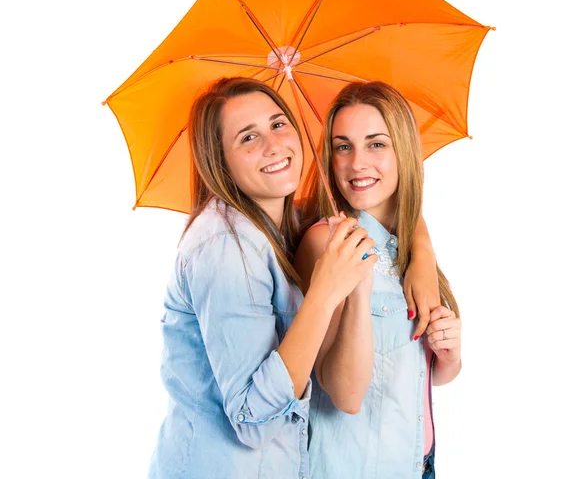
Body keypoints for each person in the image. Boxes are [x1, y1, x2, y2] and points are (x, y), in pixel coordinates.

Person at [148, 77, 378, 479]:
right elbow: (253, 420)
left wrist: (423, 251)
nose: (273, 145)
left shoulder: (276, 227)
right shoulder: (224, 248)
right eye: (248, 137)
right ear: (220, 162)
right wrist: (324, 293)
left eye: (278, 124)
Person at [296, 81, 463, 479]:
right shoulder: (326, 243)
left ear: (402, 150)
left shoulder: (408, 245)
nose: (356, 163)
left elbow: (427, 372)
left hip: (419, 465)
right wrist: (358, 284)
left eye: (375, 144)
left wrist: (451, 353)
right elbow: (345, 395)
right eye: (343, 146)